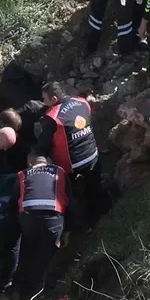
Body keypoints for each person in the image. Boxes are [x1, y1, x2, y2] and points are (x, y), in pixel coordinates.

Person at [34, 82, 103, 230]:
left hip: (73, 165)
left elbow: (44, 144)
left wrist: (38, 156)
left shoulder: (52, 117)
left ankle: (78, 223)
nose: (43, 102)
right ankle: (102, 210)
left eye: (45, 99)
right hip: (93, 155)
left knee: (66, 194)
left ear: (53, 98)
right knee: (95, 187)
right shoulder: (82, 102)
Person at [6, 155, 71, 300]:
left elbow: (13, 202)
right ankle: (29, 292)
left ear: (30, 163)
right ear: (48, 162)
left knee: (26, 252)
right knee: (42, 257)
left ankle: (16, 288)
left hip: (28, 219)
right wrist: (68, 230)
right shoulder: (59, 172)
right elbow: (70, 202)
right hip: (53, 220)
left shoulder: (22, 174)